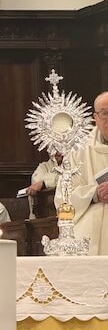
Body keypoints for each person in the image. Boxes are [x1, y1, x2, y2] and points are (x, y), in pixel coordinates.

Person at [55, 91, 108, 254]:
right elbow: (62, 198)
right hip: (93, 225)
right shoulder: (79, 150)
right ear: (96, 118)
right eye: (105, 113)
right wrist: (94, 194)